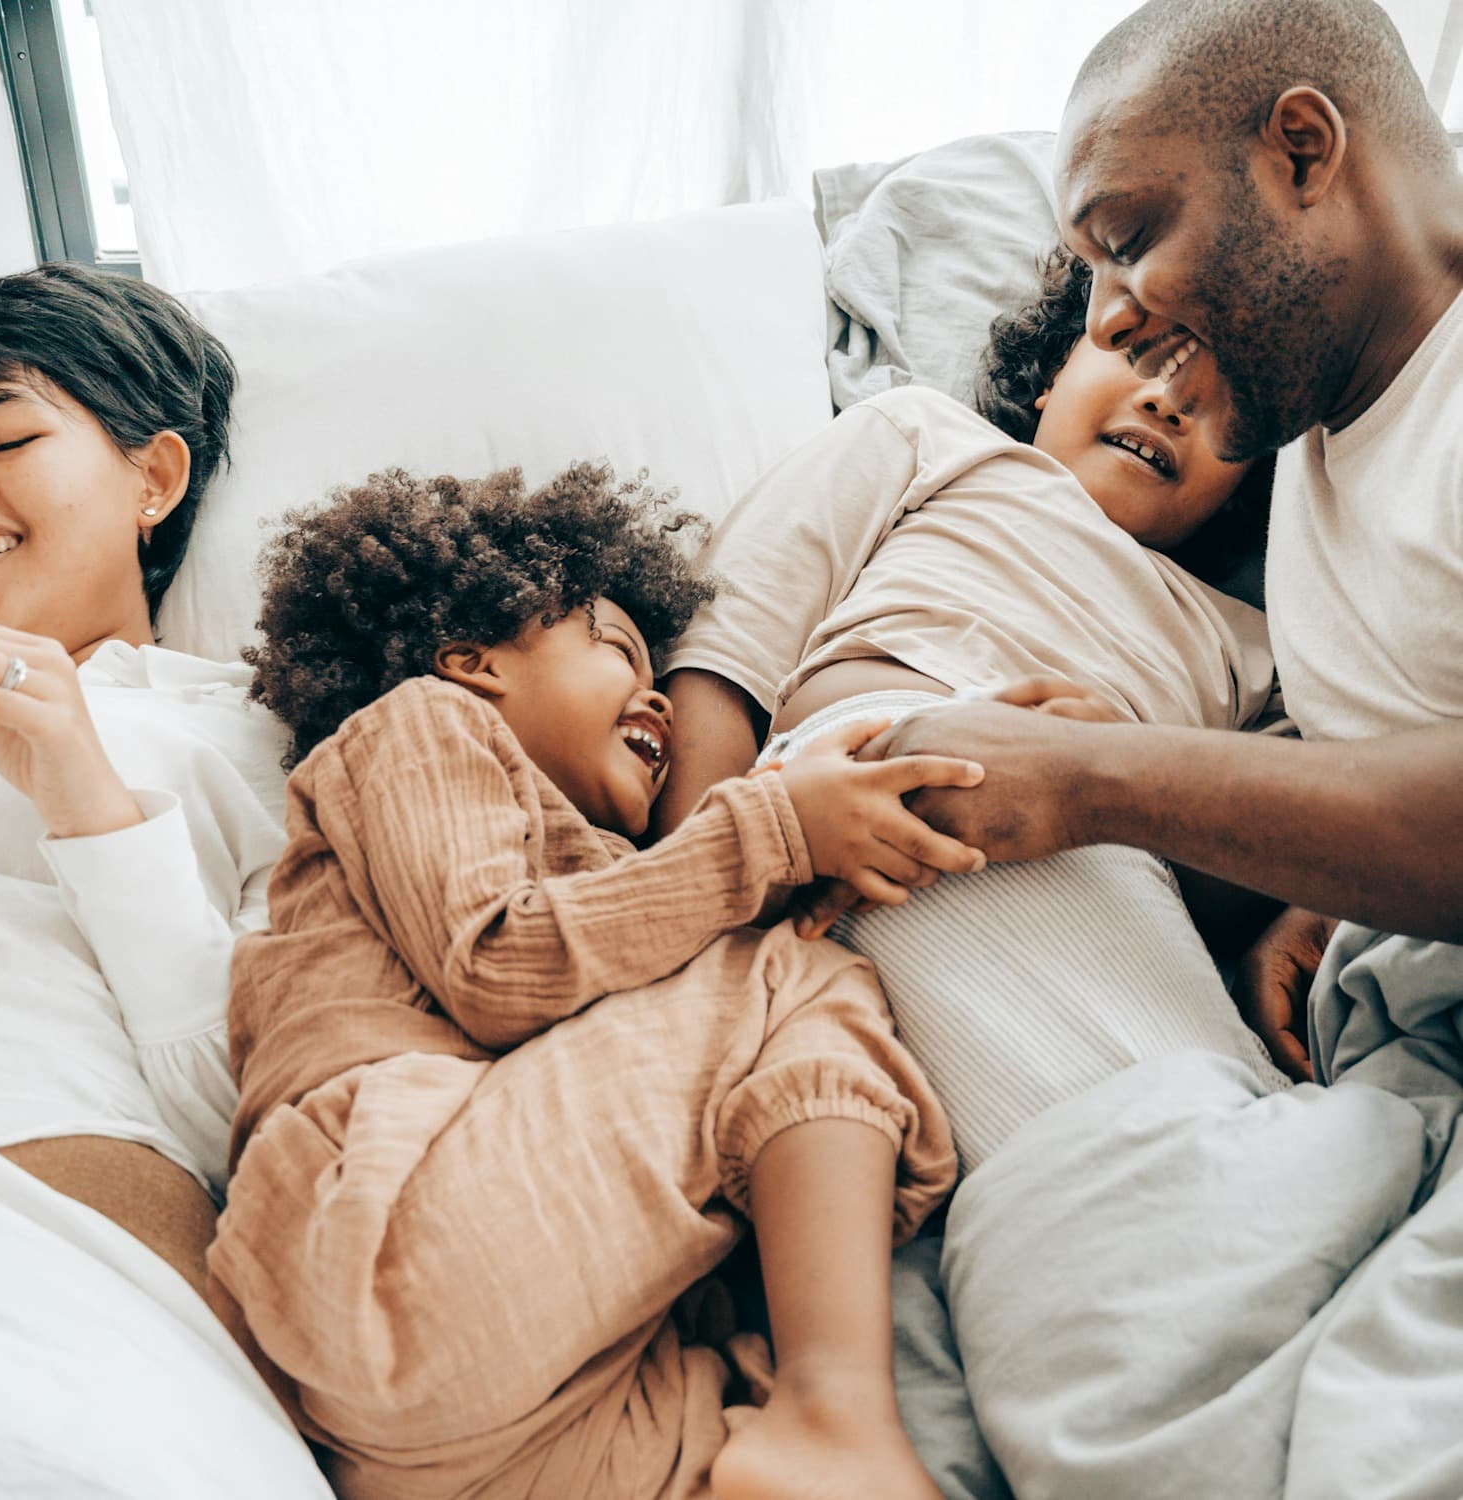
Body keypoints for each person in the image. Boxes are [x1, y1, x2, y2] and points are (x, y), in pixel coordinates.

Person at [838, 2, 1463, 1495]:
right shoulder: (1315, 440)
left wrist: (1097, 785)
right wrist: (1316, 889)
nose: (1113, 317)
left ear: (1303, 151)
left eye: (1129, 242)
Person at [208, 462, 962, 1500]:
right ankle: (835, 1407)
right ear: (472, 661)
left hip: (477, 1426)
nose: (657, 696)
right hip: (387, 1236)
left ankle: (802, 1431)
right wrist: (777, 827)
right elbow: (496, 961)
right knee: (795, 978)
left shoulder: (620, 885)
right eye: (612, 643)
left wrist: (953, 739)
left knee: (733, 1446)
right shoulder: (420, 728)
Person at [657, 244, 1288, 1175]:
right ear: (1053, 371)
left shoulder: (1259, 646)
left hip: (1108, 855)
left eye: (1223, 393)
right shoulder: (931, 439)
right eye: (1139, 349)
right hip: (859, 790)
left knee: (1201, 1114)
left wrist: (1129, 772)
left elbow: (1250, 866)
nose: (1168, 399)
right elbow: (724, 648)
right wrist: (701, 893)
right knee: (1156, 1149)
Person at [0, 264, 330, 1497]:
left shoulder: (254, 735)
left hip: (41, 1243)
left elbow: (260, 1117)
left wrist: (89, 803)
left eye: (5, 437)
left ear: (154, 480)